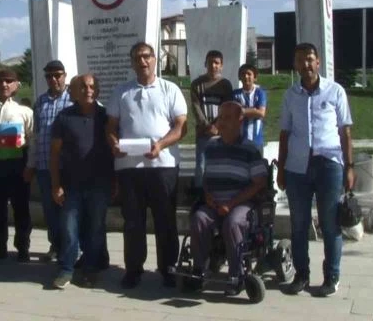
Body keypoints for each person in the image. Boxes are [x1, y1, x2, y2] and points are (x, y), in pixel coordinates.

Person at [107, 42, 188, 289]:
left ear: (155, 60)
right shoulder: (121, 92)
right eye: (137, 58)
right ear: (132, 63)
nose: (142, 61)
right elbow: (110, 127)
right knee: (132, 221)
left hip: (163, 166)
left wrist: (161, 145)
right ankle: (133, 269)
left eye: (146, 56)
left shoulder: (169, 88)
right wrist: (113, 144)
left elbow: (181, 126)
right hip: (129, 168)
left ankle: (168, 268)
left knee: (165, 220)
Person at [277, 42, 355, 297]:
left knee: (330, 224)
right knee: (298, 224)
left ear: (318, 62)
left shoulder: (335, 91)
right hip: (297, 167)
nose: (306, 64)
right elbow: (284, 134)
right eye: (301, 60)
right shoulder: (290, 96)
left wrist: (349, 167)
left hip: (329, 165)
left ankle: (331, 277)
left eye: (310, 59)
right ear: (296, 64)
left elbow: (345, 131)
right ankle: (301, 275)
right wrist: (281, 168)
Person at [185, 101, 269, 296]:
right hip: (214, 202)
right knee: (198, 218)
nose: (221, 123)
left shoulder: (250, 149)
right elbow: (206, 178)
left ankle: (236, 275)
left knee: (233, 222)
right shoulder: (212, 147)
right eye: (220, 118)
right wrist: (209, 198)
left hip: (241, 203)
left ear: (240, 121)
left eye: (227, 118)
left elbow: (259, 183)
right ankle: (200, 270)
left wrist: (230, 204)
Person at [50, 74, 114, 289]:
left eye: (92, 86)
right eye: (83, 86)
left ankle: (90, 269)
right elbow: (55, 154)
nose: (88, 90)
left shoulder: (107, 117)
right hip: (71, 186)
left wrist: (116, 183)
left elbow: (115, 150)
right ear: (74, 92)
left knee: (96, 230)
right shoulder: (64, 117)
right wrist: (56, 185)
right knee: (69, 229)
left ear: (97, 91)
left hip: (99, 185)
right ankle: (66, 269)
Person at [0, 69, 35, 262]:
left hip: (18, 165)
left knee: (21, 208)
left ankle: (23, 246)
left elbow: (32, 140)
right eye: (1, 81)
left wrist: (30, 166)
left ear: (16, 85)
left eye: (9, 81)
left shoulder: (24, 112)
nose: (5, 85)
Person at [28, 60, 72, 262]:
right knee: (50, 210)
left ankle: (71, 249)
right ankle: (55, 246)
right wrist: (32, 164)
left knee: (69, 211)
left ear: (65, 75)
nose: (54, 79)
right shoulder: (40, 102)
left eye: (58, 75)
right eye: (49, 76)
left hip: (68, 168)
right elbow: (36, 136)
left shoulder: (74, 99)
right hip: (45, 166)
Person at [190, 50, 233, 193]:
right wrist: (207, 126)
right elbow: (196, 107)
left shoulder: (225, 84)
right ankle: (199, 195)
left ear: (221, 66)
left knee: (221, 164)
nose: (213, 66)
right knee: (201, 165)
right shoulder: (197, 84)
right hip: (203, 132)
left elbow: (226, 107)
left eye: (216, 63)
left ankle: (220, 193)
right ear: (205, 64)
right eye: (210, 63)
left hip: (221, 133)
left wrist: (217, 126)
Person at [232, 63, 267, 154]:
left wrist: (243, 111)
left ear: (255, 77)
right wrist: (253, 110)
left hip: (256, 140)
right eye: (243, 74)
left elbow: (261, 113)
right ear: (239, 77)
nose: (246, 76)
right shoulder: (235, 94)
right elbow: (234, 114)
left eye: (249, 74)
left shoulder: (260, 93)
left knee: (257, 166)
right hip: (239, 140)